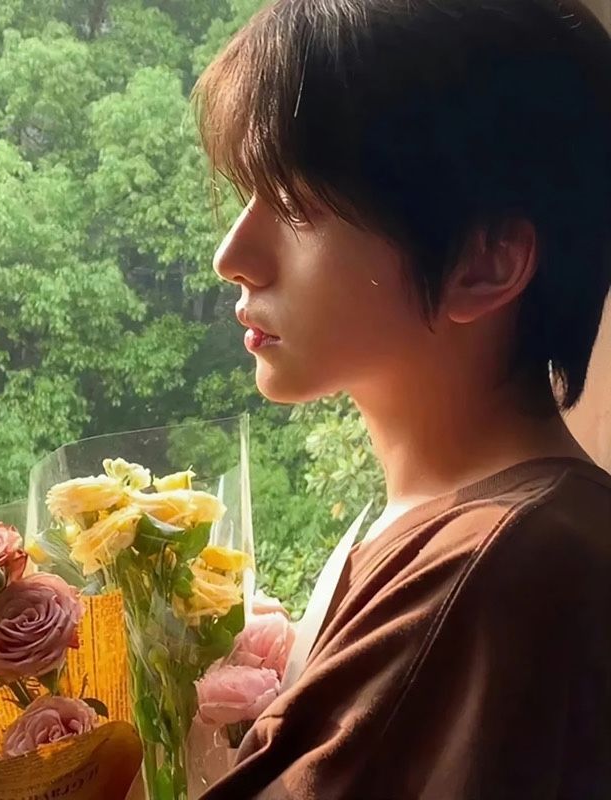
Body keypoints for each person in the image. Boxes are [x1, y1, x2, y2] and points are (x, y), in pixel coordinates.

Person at [192, 0, 611, 798]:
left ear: (485, 262)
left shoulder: (501, 570)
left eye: (296, 206)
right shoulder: (437, 529)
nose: (232, 256)